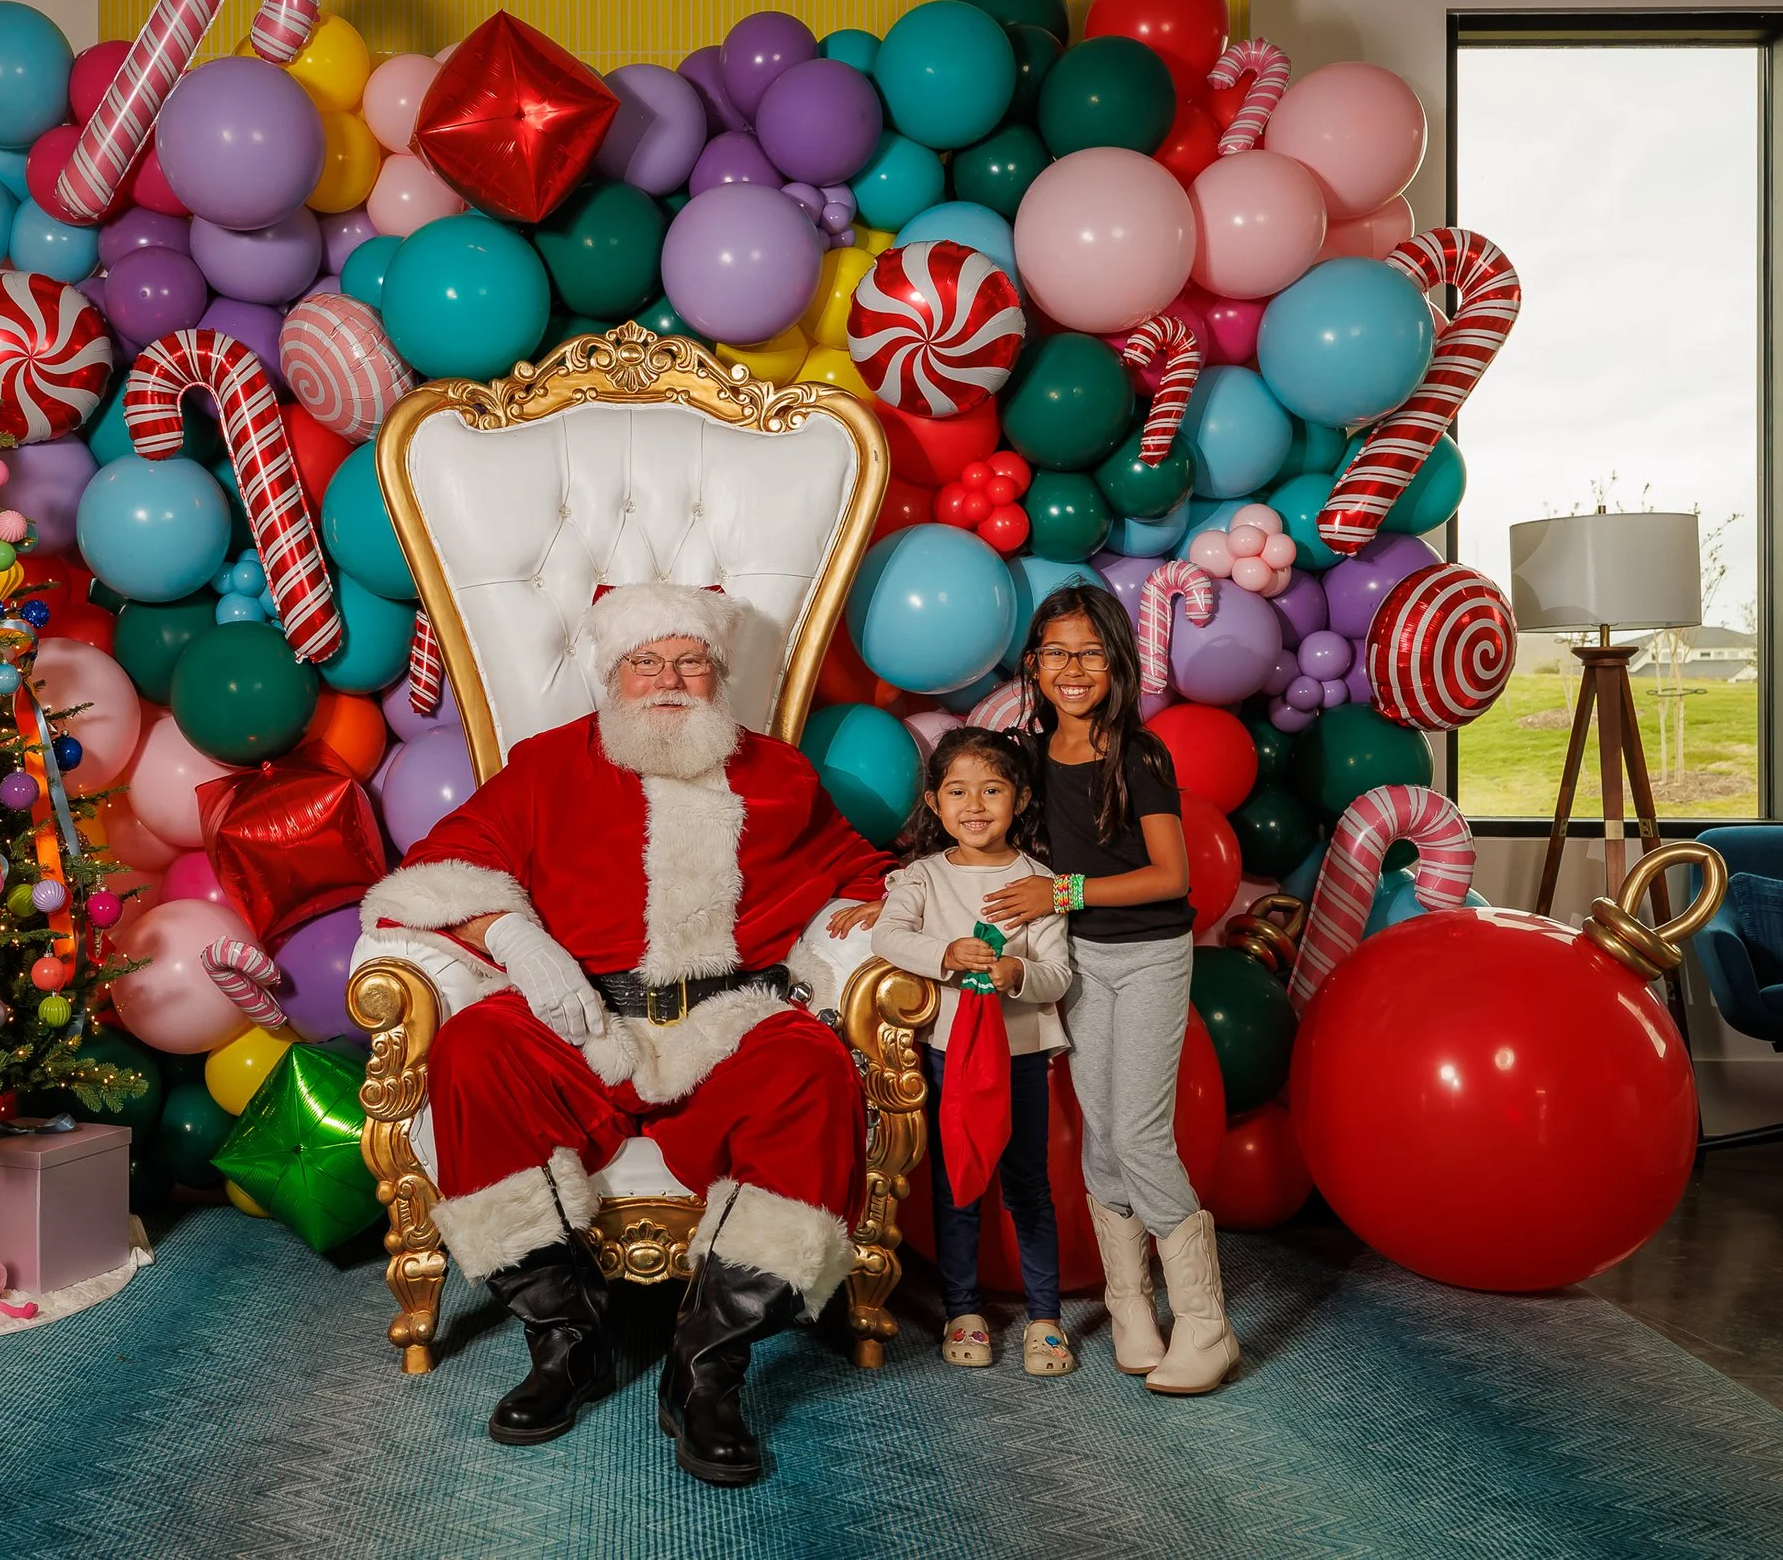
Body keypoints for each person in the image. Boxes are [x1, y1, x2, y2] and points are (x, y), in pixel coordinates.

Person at [357, 582, 894, 1486]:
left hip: (731, 1023)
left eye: (690, 662)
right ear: (613, 675)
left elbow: (866, 875)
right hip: (582, 1025)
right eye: (646, 661)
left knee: (813, 1065)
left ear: (718, 676)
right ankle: (568, 1340)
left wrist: (887, 921)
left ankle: (707, 1367)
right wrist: (515, 940)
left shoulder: (778, 774)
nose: (669, 680)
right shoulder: (546, 765)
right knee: (474, 1051)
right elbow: (433, 873)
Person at [983, 585, 1237, 1396]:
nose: (1072, 668)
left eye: (1090, 652)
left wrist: (1062, 893)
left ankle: (1206, 1321)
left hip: (1151, 957)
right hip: (1079, 962)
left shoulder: (1140, 754)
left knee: (1138, 1133)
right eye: (1055, 651)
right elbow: (974, 834)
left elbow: (1172, 876)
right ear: (1033, 663)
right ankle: (1131, 1307)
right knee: (1099, 1131)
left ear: (1117, 662)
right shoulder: (1022, 758)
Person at [830, 726, 1073, 1373]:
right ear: (935, 804)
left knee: (1028, 1185)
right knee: (957, 1184)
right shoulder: (923, 877)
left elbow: (1058, 974)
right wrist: (944, 954)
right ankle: (962, 1310)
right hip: (946, 1053)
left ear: (1019, 799)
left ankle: (1045, 1318)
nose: (975, 804)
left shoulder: (1037, 881)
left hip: (1019, 1053)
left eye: (992, 789)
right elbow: (889, 937)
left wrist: (1016, 974)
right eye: (958, 791)